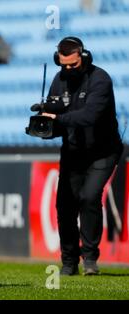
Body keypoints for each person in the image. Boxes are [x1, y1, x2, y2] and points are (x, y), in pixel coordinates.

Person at [40, 37, 123, 275]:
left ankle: (90, 259)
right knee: (64, 205)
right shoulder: (59, 79)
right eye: (63, 65)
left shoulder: (101, 80)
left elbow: (89, 117)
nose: (67, 70)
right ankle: (68, 261)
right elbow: (56, 114)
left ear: (84, 58)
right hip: (73, 151)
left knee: (89, 197)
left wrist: (58, 119)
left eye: (73, 65)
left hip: (102, 152)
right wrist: (45, 118)